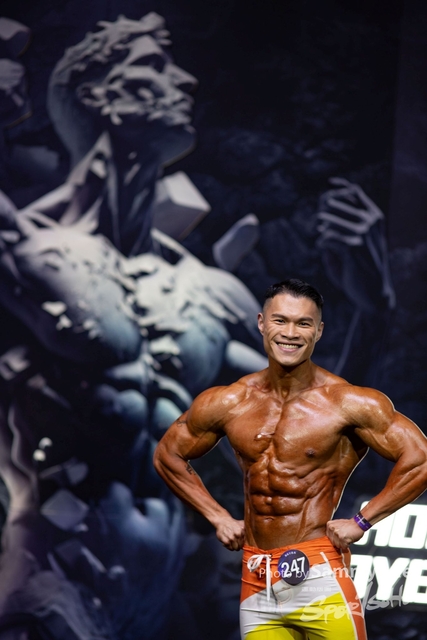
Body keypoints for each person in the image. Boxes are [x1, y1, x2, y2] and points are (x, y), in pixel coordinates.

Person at [154, 278, 427, 640]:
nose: (290, 333)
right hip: (257, 577)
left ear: (319, 331)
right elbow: (168, 454)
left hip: (320, 573)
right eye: (280, 320)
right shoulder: (230, 401)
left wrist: (362, 521)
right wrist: (217, 516)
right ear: (261, 323)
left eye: (303, 323)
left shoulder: (347, 403)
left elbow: (420, 459)